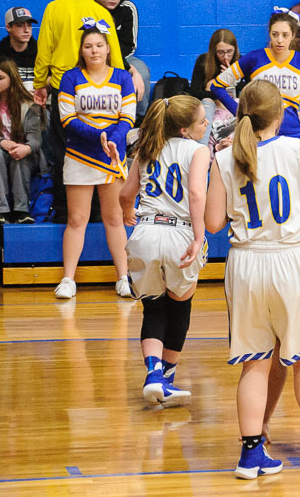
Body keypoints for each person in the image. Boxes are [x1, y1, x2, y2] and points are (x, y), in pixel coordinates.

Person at [203, 79, 300, 479]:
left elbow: (212, 223)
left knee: (254, 364)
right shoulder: (297, 148)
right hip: (291, 257)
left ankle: (251, 455)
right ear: (281, 113)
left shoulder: (223, 159)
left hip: (246, 264)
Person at [119, 96, 209, 408]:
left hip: (145, 231)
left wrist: (127, 213)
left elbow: (126, 193)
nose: (207, 124)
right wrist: (199, 237)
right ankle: (167, 377)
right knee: (180, 307)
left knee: (154, 308)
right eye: (201, 121)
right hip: (179, 232)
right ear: (185, 130)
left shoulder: (146, 148)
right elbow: (197, 193)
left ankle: (154, 375)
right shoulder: (198, 151)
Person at [33, 0, 126, 224]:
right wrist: (117, 83)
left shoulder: (54, 8)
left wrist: (39, 83)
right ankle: (97, 212)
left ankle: (66, 212)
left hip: (65, 89)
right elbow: (113, 54)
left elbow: (44, 50)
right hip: (102, 90)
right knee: (102, 147)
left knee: (64, 151)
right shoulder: (101, 11)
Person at [55, 26, 134, 300]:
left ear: (108, 48)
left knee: (114, 218)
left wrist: (112, 140)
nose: (94, 50)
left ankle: (123, 277)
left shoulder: (123, 78)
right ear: (81, 50)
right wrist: (98, 135)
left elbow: (128, 118)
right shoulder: (71, 78)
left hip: (112, 155)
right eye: (88, 46)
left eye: (99, 45)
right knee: (77, 219)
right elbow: (67, 119)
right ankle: (68, 279)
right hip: (79, 155)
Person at [208, 10, 300, 139]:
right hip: (258, 134)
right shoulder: (254, 58)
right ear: (269, 34)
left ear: (293, 35)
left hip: (292, 134)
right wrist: (240, 113)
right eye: (275, 34)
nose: (279, 40)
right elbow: (217, 86)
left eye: (285, 35)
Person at [0, 58, 43, 226]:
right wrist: (1, 142)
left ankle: (21, 210)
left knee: (19, 155)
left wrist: (26, 148)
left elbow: (35, 139)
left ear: (11, 79)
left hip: (24, 155)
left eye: (0, 77)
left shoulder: (29, 105)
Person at [94, 0, 151, 120]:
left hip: (123, 57)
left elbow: (129, 45)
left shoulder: (127, 8)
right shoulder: (89, 8)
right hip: (92, 57)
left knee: (142, 73)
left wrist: (115, 62)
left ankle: (139, 120)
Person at [189, 29, 240, 147]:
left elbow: (250, 88)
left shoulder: (240, 62)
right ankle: (201, 147)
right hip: (211, 105)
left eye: (229, 52)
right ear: (214, 51)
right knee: (207, 103)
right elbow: (194, 93)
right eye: (221, 52)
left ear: (235, 50)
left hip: (233, 105)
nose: (226, 57)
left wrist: (232, 80)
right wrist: (215, 91)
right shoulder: (203, 61)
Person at [0, 7, 39, 95]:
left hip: (35, 104)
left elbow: (51, 78)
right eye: (20, 25)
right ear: (8, 27)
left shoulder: (41, 52)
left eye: (29, 25)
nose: (26, 30)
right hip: (3, 104)